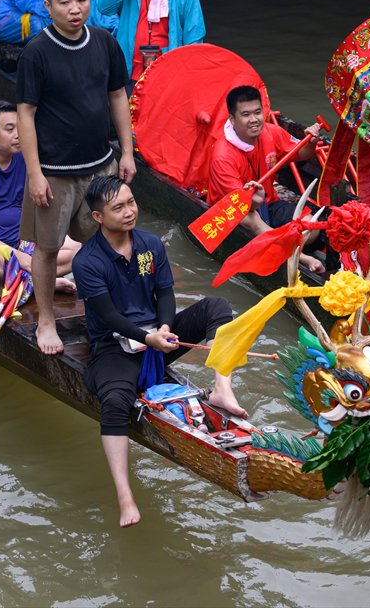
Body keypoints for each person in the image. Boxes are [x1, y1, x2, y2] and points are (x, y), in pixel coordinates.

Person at [73, 175, 239, 527]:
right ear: (99, 217)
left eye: (131, 202)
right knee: (116, 403)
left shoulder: (148, 246)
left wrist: (164, 327)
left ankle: (222, 387)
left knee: (218, 307)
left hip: (156, 336)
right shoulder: (88, 262)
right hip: (115, 346)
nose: (130, 212)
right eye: (118, 207)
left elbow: (164, 293)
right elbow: (108, 316)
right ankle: (125, 497)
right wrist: (147, 339)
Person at [17, 0, 135, 355]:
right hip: (54, 171)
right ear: (48, 6)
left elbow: (118, 96)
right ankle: (47, 321)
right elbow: (26, 114)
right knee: (48, 247)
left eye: (81, 0)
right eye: (64, 2)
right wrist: (34, 173)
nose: (74, 9)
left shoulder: (103, 42)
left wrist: (127, 151)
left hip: (100, 164)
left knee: (108, 242)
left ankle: (107, 315)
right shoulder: (36, 52)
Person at [0, 99, 80, 294]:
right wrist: (15, 255)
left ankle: (28, 279)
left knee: (81, 246)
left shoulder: (25, 159)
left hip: (22, 244)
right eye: (10, 129)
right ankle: (41, 280)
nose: (18, 135)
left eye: (19, 128)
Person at [206, 85, 325, 273]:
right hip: (234, 213)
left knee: (311, 227)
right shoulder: (223, 156)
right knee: (250, 219)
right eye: (245, 115)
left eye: (257, 112)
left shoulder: (270, 132)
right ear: (232, 119)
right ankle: (300, 257)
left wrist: (310, 143)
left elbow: (301, 153)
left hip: (268, 202)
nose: (254, 120)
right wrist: (254, 201)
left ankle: (279, 243)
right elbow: (243, 208)